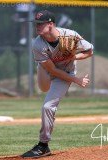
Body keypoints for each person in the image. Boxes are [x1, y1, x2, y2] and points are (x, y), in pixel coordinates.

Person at [21, 10, 93, 158]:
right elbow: (52, 69)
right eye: (36, 24)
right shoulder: (37, 44)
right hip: (47, 72)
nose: (37, 27)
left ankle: (43, 145)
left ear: (51, 24)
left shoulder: (70, 35)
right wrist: (77, 80)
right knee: (44, 88)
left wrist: (74, 56)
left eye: (41, 24)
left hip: (65, 75)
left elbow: (90, 50)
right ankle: (43, 143)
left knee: (47, 107)